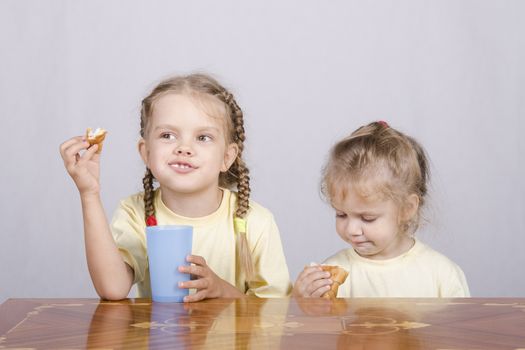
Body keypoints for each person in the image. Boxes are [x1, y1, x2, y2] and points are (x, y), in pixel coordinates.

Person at [60, 73, 292, 302]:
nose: (184, 148)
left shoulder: (257, 222)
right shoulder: (135, 212)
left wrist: (222, 291)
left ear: (227, 157)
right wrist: (89, 194)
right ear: (146, 153)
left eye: (203, 137)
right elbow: (113, 288)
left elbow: (275, 313)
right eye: (168, 135)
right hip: (161, 340)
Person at [293, 121, 470, 298]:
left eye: (367, 218)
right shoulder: (330, 279)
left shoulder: (442, 276)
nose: (351, 230)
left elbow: (461, 325)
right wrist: (302, 303)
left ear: (406, 209)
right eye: (341, 214)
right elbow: (309, 325)